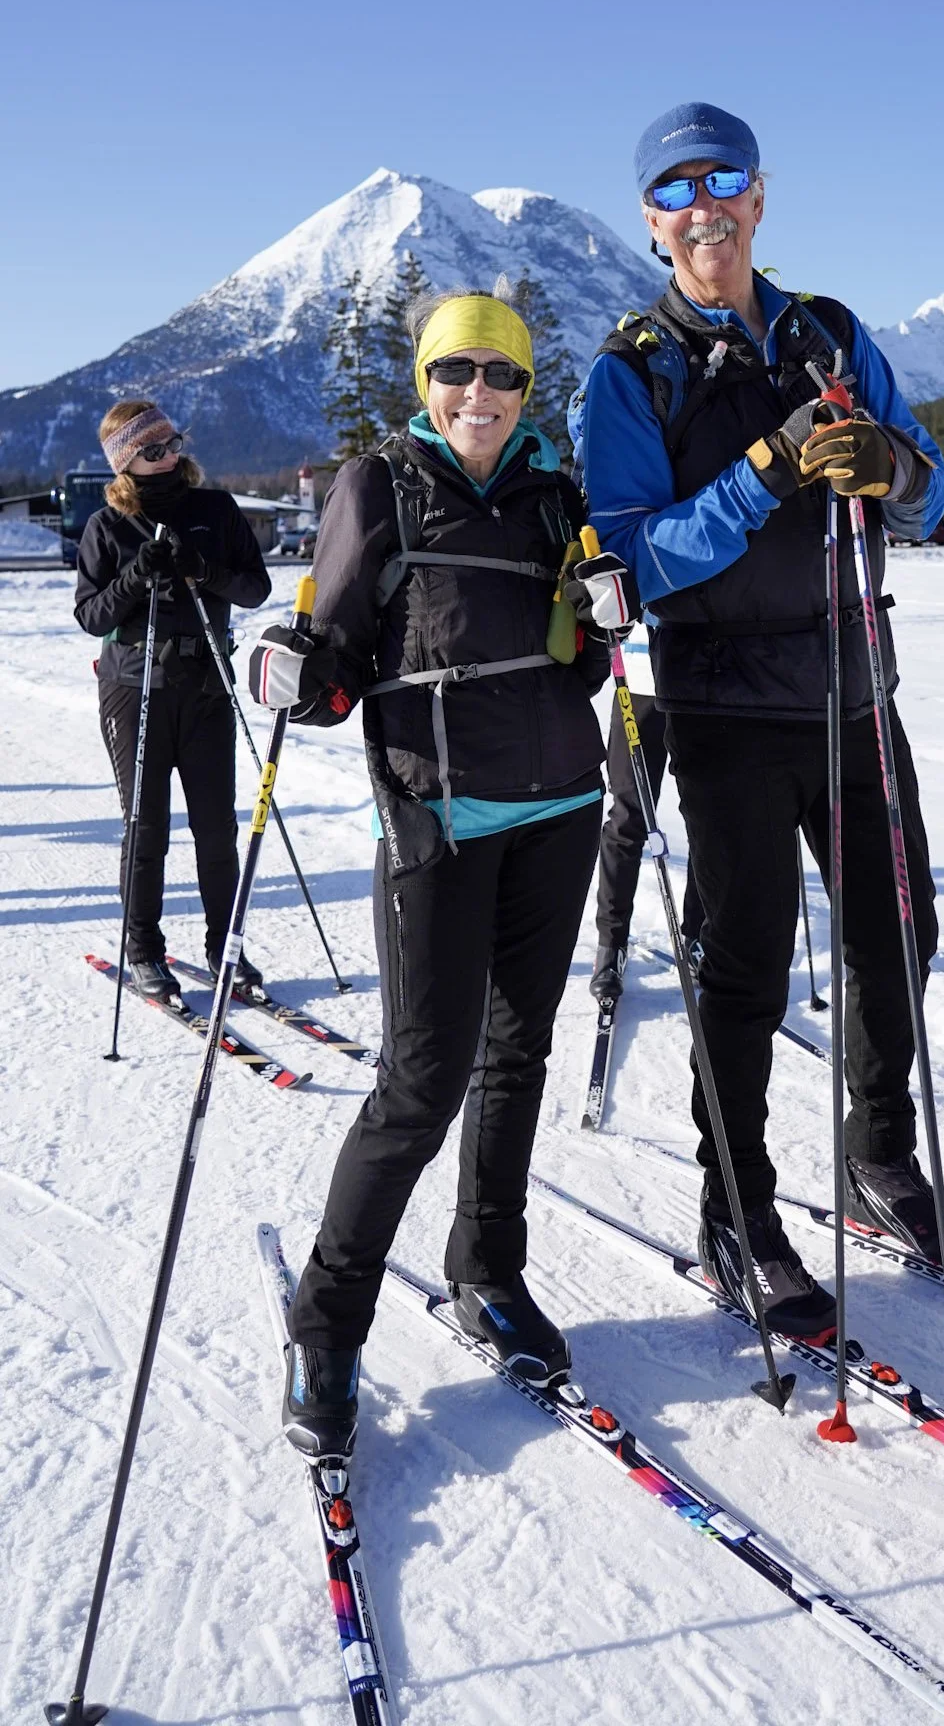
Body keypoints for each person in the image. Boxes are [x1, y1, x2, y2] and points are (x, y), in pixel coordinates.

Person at [577, 102, 944, 1344]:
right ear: (652, 221)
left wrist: (894, 470)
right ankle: (738, 1210)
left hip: (856, 688)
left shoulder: (830, 332)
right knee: (747, 966)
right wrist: (766, 470)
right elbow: (636, 556)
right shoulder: (631, 370)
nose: (705, 206)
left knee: (899, 932)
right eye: (676, 189)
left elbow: (931, 488)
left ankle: (878, 1157)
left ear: (761, 197)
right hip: (723, 708)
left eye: (726, 179)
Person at [249, 285, 611, 1461]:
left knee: (518, 1053)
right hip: (439, 819)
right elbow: (335, 657)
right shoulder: (382, 484)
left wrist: (600, 618)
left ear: (526, 388)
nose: (479, 393)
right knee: (420, 1082)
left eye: (502, 373)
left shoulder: (555, 492)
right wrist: (292, 668)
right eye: (457, 370)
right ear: (427, 380)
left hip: (563, 806)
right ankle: (326, 1325)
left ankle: (487, 1269)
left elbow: (580, 661)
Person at [74, 400, 272, 1000]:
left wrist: (202, 569)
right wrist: (135, 577)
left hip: (206, 684)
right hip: (134, 689)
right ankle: (143, 950)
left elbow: (255, 588)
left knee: (217, 827)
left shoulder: (214, 509)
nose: (168, 457)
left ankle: (225, 947)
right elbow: (91, 615)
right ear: (125, 461)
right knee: (147, 826)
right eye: (153, 450)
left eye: (172, 443)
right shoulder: (107, 525)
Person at [589, 623, 703, 1002]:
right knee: (628, 817)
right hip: (636, 681)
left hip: (698, 679)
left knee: (706, 817)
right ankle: (610, 944)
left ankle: (699, 935)